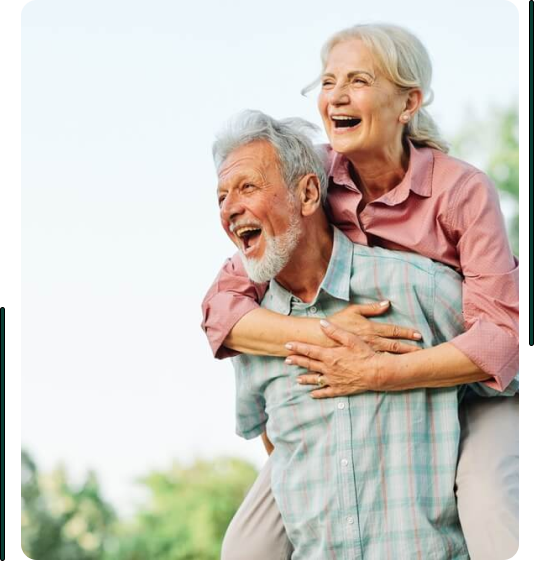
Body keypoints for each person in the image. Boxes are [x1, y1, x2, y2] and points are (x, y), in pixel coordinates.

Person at [203, 24, 519, 560]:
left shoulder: (460, 190)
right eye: (328, 82)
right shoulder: (314, 174)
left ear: (408, 102)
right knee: (245, 546)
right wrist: (324, 334)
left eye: (358, 80)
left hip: (477, 388)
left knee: (489, 504)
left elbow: (503, 339)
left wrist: (379, 372)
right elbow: (220, 309)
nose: (337, 96)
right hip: (354, 386)